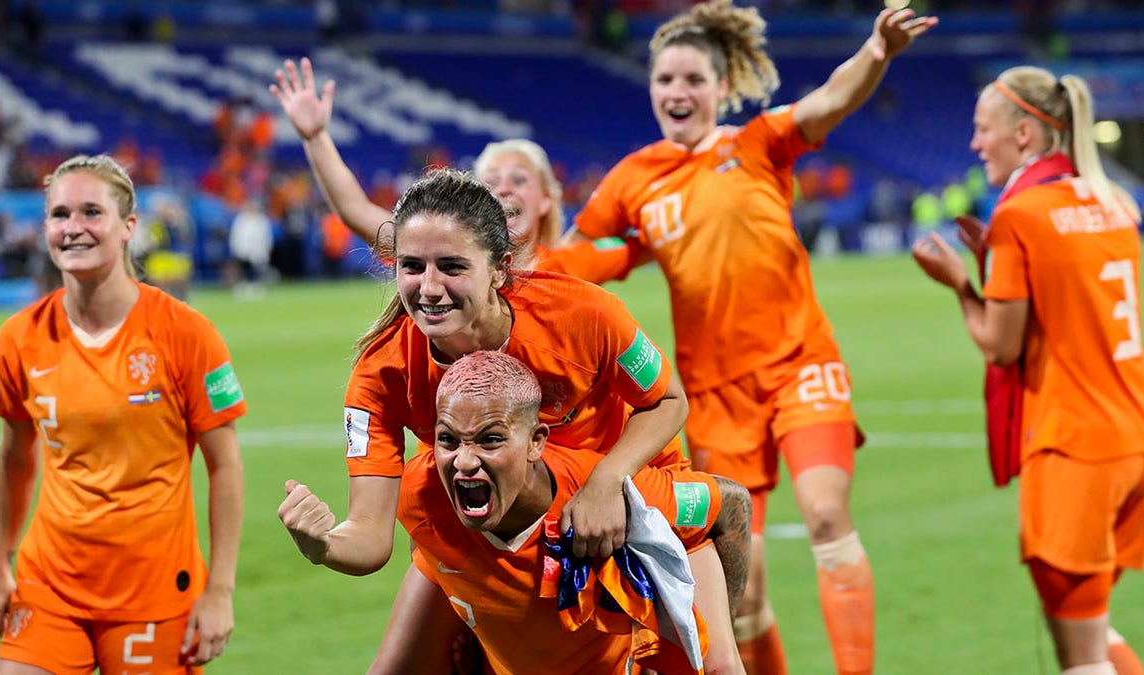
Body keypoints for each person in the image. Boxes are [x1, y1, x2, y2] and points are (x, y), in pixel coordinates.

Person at [566, 3, 936, 673]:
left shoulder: (757, 143)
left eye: (693, 80)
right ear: (651, 88)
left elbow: (829, 100)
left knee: (826, 514)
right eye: (666, 81)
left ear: (720, 87)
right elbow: (572, 258)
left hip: (801, 363)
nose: (678, 93)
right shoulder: (632, 180)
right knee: (748, 582)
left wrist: (876, 52)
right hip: (714, 394)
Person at [277, 167, 742, 673]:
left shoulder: (580, 314)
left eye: (452, 266)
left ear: (499, 269)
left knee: (707, 663)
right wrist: (323, 545)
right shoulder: (381, 374)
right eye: (412, 266)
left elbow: (668, 401)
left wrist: (609, 481)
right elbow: (369, 535)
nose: (428, 288)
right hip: (485, 518)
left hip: (615, 503)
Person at [911, 66, 1144, 675]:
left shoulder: (1020, 215)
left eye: (982, 129)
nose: (975, 144)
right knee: (1095, 629)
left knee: (1081, 656)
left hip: (1076, 449)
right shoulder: (1111, 202)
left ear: (1024, 135)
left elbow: (1001, 346)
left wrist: (961, 287)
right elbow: (1065, 299)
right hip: (1142, 443)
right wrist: (996, 269)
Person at [0, 154, 247, 672]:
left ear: (128, 227)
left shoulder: (185, 333)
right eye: (60, 215)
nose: (73, 228)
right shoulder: (20, 337)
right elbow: (17, 457)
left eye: (91, 212)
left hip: (154, 590)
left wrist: (219, 589)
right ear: (44, 228)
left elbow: (225, 465)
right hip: (49, 584)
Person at [368, 349, 753, 673]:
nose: (465, 461)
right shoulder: (422, 491)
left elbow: (732, 502)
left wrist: (722, 643)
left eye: (490, 441)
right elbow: (425, 542)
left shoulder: (618, 500)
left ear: (536, 442)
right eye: (449, 440)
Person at [268, 57, 642, 285]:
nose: (505, 189)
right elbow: (355, 210)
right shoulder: (446, 257)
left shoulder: (575, 264)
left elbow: (654, 243)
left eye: (519, 179)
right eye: (491, 181)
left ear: (546, 200)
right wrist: (316, 137)